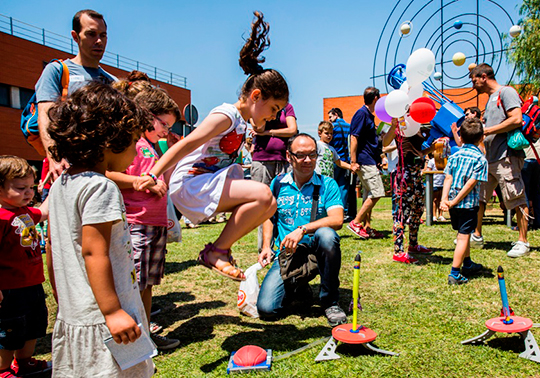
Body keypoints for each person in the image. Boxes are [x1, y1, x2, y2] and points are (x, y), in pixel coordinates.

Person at [135, 11, 287, 281]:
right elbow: (187, 144)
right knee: (263, 194)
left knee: (269, 204)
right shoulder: (226, 115)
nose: (274, 117)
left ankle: (220, 250)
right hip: (192, 183)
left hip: (208, 182)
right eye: (273, 108)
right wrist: (153, 172)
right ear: (255, 96)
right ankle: (217, 250)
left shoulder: (242, 121)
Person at [46, 83, 154, 377]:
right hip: (107, 321)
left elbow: (53, 246)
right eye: (133, 140)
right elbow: (94, 250)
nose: (135, 150)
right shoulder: (100, 186)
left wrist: (63, 298)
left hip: (76, 314)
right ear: (110, 140)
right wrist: (112, 312)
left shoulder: (60, 185)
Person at [108, 79, 181, 351]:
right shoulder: (130, 143)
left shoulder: (153, 146)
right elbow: (108, 174)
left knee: (147, 283)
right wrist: (143, 181)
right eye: (164, 124)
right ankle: (130, 341)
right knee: (132, 284)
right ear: (148, 117)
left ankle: (145, 335)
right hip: (135, 223)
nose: (165, 131)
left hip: (155, 223)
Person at [257, 133, 347, 326]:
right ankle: (297, 286)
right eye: (301, 155)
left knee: (327, 235)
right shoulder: (278, 184)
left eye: (312, 155)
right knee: (267, 309)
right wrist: (266, 246)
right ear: (289, 157)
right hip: (287, 254)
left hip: (316, 250)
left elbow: (337, 219)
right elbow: (269, 217)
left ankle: (330, 301)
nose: (308, 160)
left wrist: (303, 229)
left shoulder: (327, 184)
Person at [36, 9, 116, 179]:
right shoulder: (57, 71)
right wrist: (54, 158)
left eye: (103, 35)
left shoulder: (112, 82)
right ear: (75, 36)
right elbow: (45, 114)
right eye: (91, 34)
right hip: (65, 170)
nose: (99, 41)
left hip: (102, 173)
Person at [469, 63, 530, 257]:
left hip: (506, 157)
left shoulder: (506, 92)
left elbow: (516, 119)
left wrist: (486, 130)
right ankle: (476, 235)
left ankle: (523, 242)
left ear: (484, 77)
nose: (473, 85)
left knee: (516, 196)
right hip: (489, 158)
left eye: (474, 80)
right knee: (479, 198)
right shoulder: (489, 100)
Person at [0, 156, 51, 378]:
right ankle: (2, 369)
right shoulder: (1, 217)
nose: (29, 193)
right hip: (10, 289)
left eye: (31, 187)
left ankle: (24, 361)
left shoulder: (25, 212)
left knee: (34, 326)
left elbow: (45, 212)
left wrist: (59, 183)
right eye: (21, 188)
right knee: (9, 332)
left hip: (32, 283)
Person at [440, 118, 488, 285]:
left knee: (463, 234)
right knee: (463, 237)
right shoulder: (481, 159)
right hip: (467, 205)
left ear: (460, 136)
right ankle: (455, 272)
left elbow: (448, 177)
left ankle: (467, 263)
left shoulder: (455, 154)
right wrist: (453, 201)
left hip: (454, 204)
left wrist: (446, 199)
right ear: (481, 138)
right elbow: (471, 183)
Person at [383, 120, 434, 264]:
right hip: (404, 173)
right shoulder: (401, 123)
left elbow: (419, 152)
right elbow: (385, 143)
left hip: (417, 172)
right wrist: (393, 126)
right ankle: (398, 251)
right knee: (401, 212)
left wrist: (433, 148)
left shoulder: (418, 125)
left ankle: (413, 245)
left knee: (417, 210)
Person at [347, 87, 385, 239]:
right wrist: (353, 161)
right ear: (375, 98)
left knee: (369, 194)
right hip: (364, 160)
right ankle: (356, 223)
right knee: (377, 192)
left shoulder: (368, 115)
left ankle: (367, 227)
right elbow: (353, 137)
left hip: (369, 159)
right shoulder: (361, 114)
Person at [328, 108, 356, 221]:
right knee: (343, 187)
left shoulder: (332, 127)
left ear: (336, 115)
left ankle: (333, 211)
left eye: (330, 116)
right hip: (346, 160)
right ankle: (343, 211)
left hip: (335, 160)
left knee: (332, 186)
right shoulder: (349, 127)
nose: (329, 119)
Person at [426, 155, 446, 221]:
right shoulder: (431, 161)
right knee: (434, 199)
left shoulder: (444, 161)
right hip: (434, 183)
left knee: (441, 199)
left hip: (443, 183)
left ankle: (440, 215)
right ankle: (434, 215)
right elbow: (428, 170)